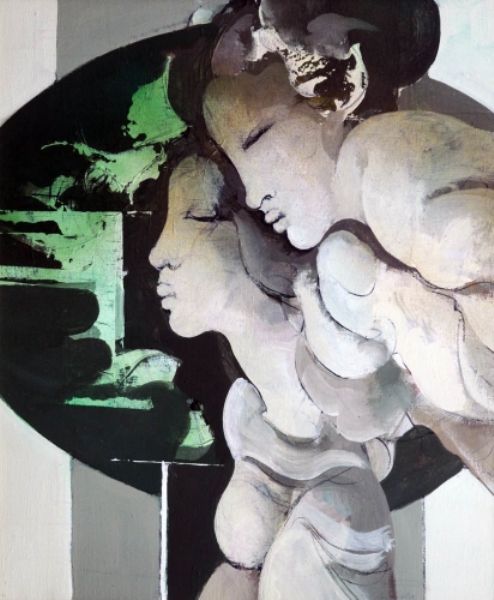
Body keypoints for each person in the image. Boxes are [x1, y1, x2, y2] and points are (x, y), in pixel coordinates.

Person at [202, 40, 494, 492]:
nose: (254, 194)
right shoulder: (360, 250)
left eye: (257, 139)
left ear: (335, 100)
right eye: (237, 168)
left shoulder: (382, 163)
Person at [149, 152, 396, 598]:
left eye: (191, 217)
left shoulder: (328, 338)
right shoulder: (248, 403)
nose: (157, 253)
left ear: (249, 230)